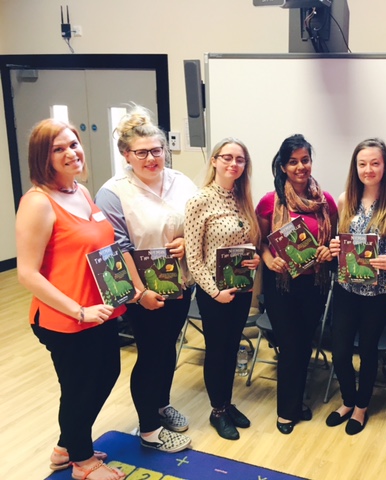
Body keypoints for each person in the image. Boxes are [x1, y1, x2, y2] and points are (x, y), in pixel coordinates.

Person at [16, 119, 125, 480]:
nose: (71, 153)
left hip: (101, 312)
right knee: (79, 388)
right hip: (66, 318)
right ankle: (82, 462)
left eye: (73, 144)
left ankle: (66, 446)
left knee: (106, 373)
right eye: (58, 148)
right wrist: (79, 309)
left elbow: (96, 249)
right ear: (42, 158)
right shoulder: (38, 203)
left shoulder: (80, 192)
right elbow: (27, 274)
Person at [95, 106, 197, 453]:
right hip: (145, 292)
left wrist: (187, 241)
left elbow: (196, 224)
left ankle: (160, 404)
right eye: (142, 152)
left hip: (180, 284)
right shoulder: (113, 192)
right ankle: (150, 431)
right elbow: (118, 248)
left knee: (166, 349)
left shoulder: (181, 180)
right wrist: (139, 294)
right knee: (151, 354)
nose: (152, 158)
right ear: (126, 155)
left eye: (157, 150)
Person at [325, 138, 386, 435]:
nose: (368, 169)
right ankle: (348, 399)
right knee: (340, 350)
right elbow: (339, 242)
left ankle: (361, 406)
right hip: (346, 289)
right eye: (362, 164)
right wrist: (335, 246)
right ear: (355, 167)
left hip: (377, 292)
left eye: (375, 163)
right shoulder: (344, 199)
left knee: (369, 350)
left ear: (384, 166)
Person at [256, 134, 338, 434]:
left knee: (304, 345)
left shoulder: (325, 201)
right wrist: (268, 259)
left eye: (305, 160)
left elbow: (333, 242)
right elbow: (261, 242)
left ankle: (295, 401)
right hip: (281, 285)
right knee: (289, 347)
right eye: (293, 162)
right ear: (282, 166)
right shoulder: (270, 201)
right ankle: (286, 411)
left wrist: (327, 250)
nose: (300, 167)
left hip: (314, 284)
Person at [184, 138, 261, 440]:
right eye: (227, 158)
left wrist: (253, 259)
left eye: (240, 159)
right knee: (217, 351)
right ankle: (217, 411)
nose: (233, 164)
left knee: (232, 348)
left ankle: (227, 404)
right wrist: (215, 292)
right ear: (214, 160)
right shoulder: (199, 201)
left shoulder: (242, 199)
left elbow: (243, 244)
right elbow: (193, 256)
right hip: (214, 293)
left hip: (240, 289)